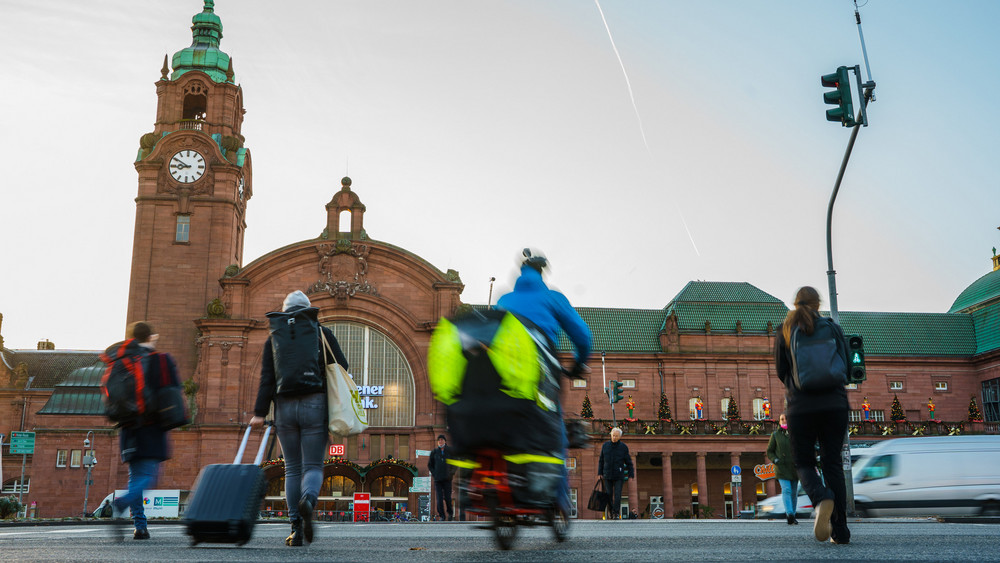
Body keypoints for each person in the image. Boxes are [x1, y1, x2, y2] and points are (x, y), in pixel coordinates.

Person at [495, 249, 593, 513]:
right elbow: (583, 336)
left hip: (501, 377)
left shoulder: (504, 299)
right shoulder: (552, 298)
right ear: (541, 273)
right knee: (554, 431)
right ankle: (559, 502)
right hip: (540, 377)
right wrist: (578, 363)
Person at [250, 290, 349, 547]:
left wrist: (259, 413)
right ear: (308, 310)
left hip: (284, 408)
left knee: (291, 468)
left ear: (284, 313)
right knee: (313, 466)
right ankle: (309, 500)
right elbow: (342, 367)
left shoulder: (273, 339)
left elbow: (266, 381)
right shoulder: (321, 333)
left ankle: (295, 529)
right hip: (314, 404)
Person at [774, 286, 851, 545]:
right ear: (818, 304)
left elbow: (781, 370)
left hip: (802, 406)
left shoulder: (785, 330)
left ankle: (820, 497)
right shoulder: (832, 327)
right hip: (835, 404)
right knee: (832, 464)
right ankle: (840, 531)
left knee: (804, 462)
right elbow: (848, 366)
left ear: (796, 304)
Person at [111, 321, 181, 540]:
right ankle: (122, 503)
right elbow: (174, 390)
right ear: (151, 337)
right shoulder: (161, 359)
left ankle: (140, 527)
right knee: (149, 475)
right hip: (152, 425)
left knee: (135, 475)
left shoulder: (121, 361)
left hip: (128, 426)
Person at [766, 413, 799, 525]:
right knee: (786, 490)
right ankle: (789, 514)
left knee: (794, 492)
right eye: (782, 419)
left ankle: (793, 515)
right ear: (779, 422)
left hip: (794, 467)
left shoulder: (796, 434)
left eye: (786, 419)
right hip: (781, 467)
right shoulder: (775, 435)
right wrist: (775, 460)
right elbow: (770, 451)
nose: (784, 421)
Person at [598, 427, 634, 519]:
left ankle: (616, 513)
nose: (614, 437)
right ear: (610, 435)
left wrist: (631, 474)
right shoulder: (605, 446)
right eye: (613, 435)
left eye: (616, 436)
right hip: (607, 474)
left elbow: (628, 461)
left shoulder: (623, 447)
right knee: (608, 494)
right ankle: (610, 512)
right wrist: (599, 473)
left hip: (619, 474)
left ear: (620, 437)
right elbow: (601, 460)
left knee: (618, 495)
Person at [427, 434, 455, 521]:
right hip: (438, 479)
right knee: (439, 499)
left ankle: (450, 513)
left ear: (445, 441)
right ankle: (442, 516)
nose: (440, 441)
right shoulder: (434, 452)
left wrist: (451, 473)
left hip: (447, 479)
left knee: (447, 498)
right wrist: (435, 474)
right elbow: (430, 465)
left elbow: (455, 463)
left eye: (442, 440)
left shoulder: (450, 451)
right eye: (439, 440)